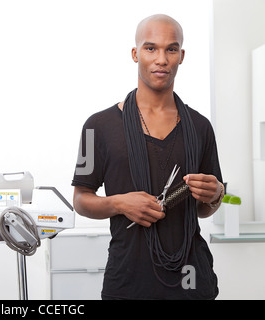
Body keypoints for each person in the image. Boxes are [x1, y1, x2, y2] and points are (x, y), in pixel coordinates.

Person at [72, 14, 224, 299]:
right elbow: (81, 200)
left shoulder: (200, 127)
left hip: (191, 279)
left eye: (171, 49)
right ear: (135, 53)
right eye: (150, 48)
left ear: (181, 56)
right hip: (129, 279)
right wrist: (119, 203)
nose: (161, 59)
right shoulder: (98, 126)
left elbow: (203, 208)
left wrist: (216, 194)